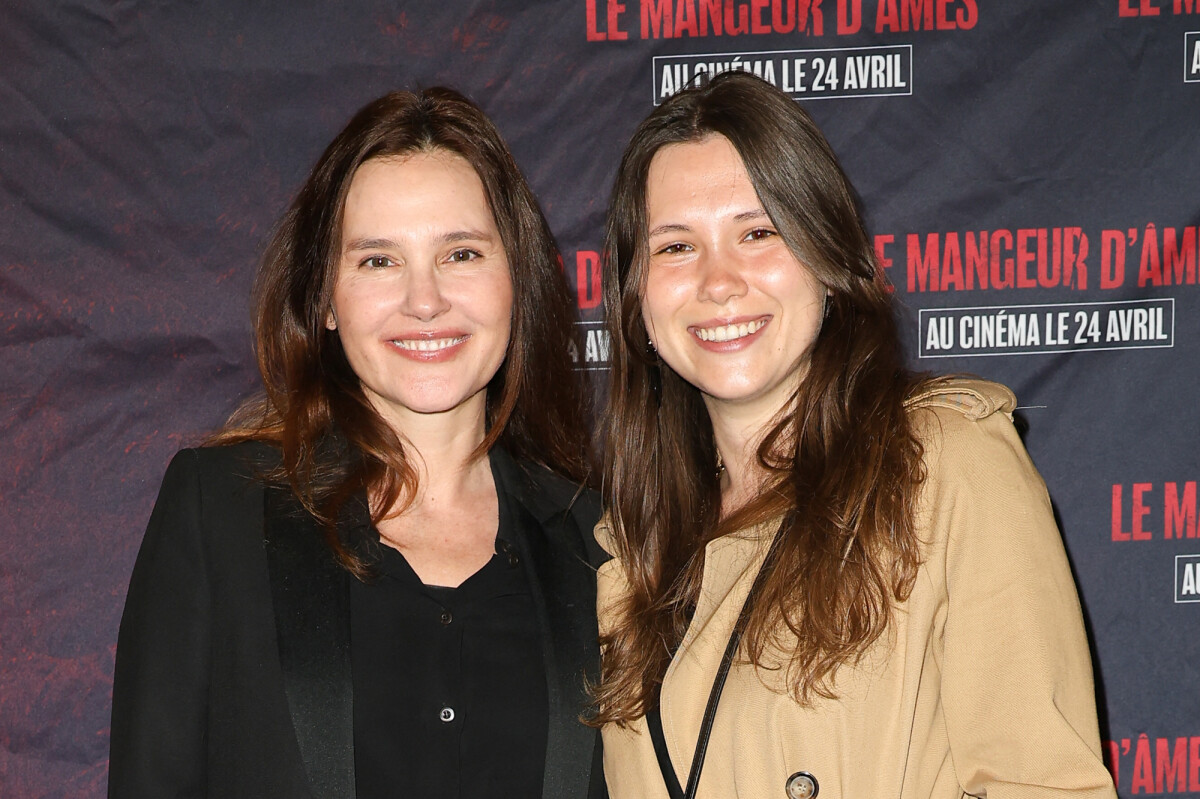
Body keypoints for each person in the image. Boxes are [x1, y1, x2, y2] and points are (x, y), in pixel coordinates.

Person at [591, 72, 1116, 799]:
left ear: (826, 258)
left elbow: (1046, 785)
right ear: (635, 293)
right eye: (676, 247)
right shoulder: (630, 549)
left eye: (758, 232)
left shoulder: (944, 463)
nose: (719, 281)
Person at [109, 88, 606, 799]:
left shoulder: (604, 541)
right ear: (325, 300)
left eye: (460, 253)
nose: (425, 299)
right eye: (379, 261)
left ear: (517, 282)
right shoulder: (217, 511)